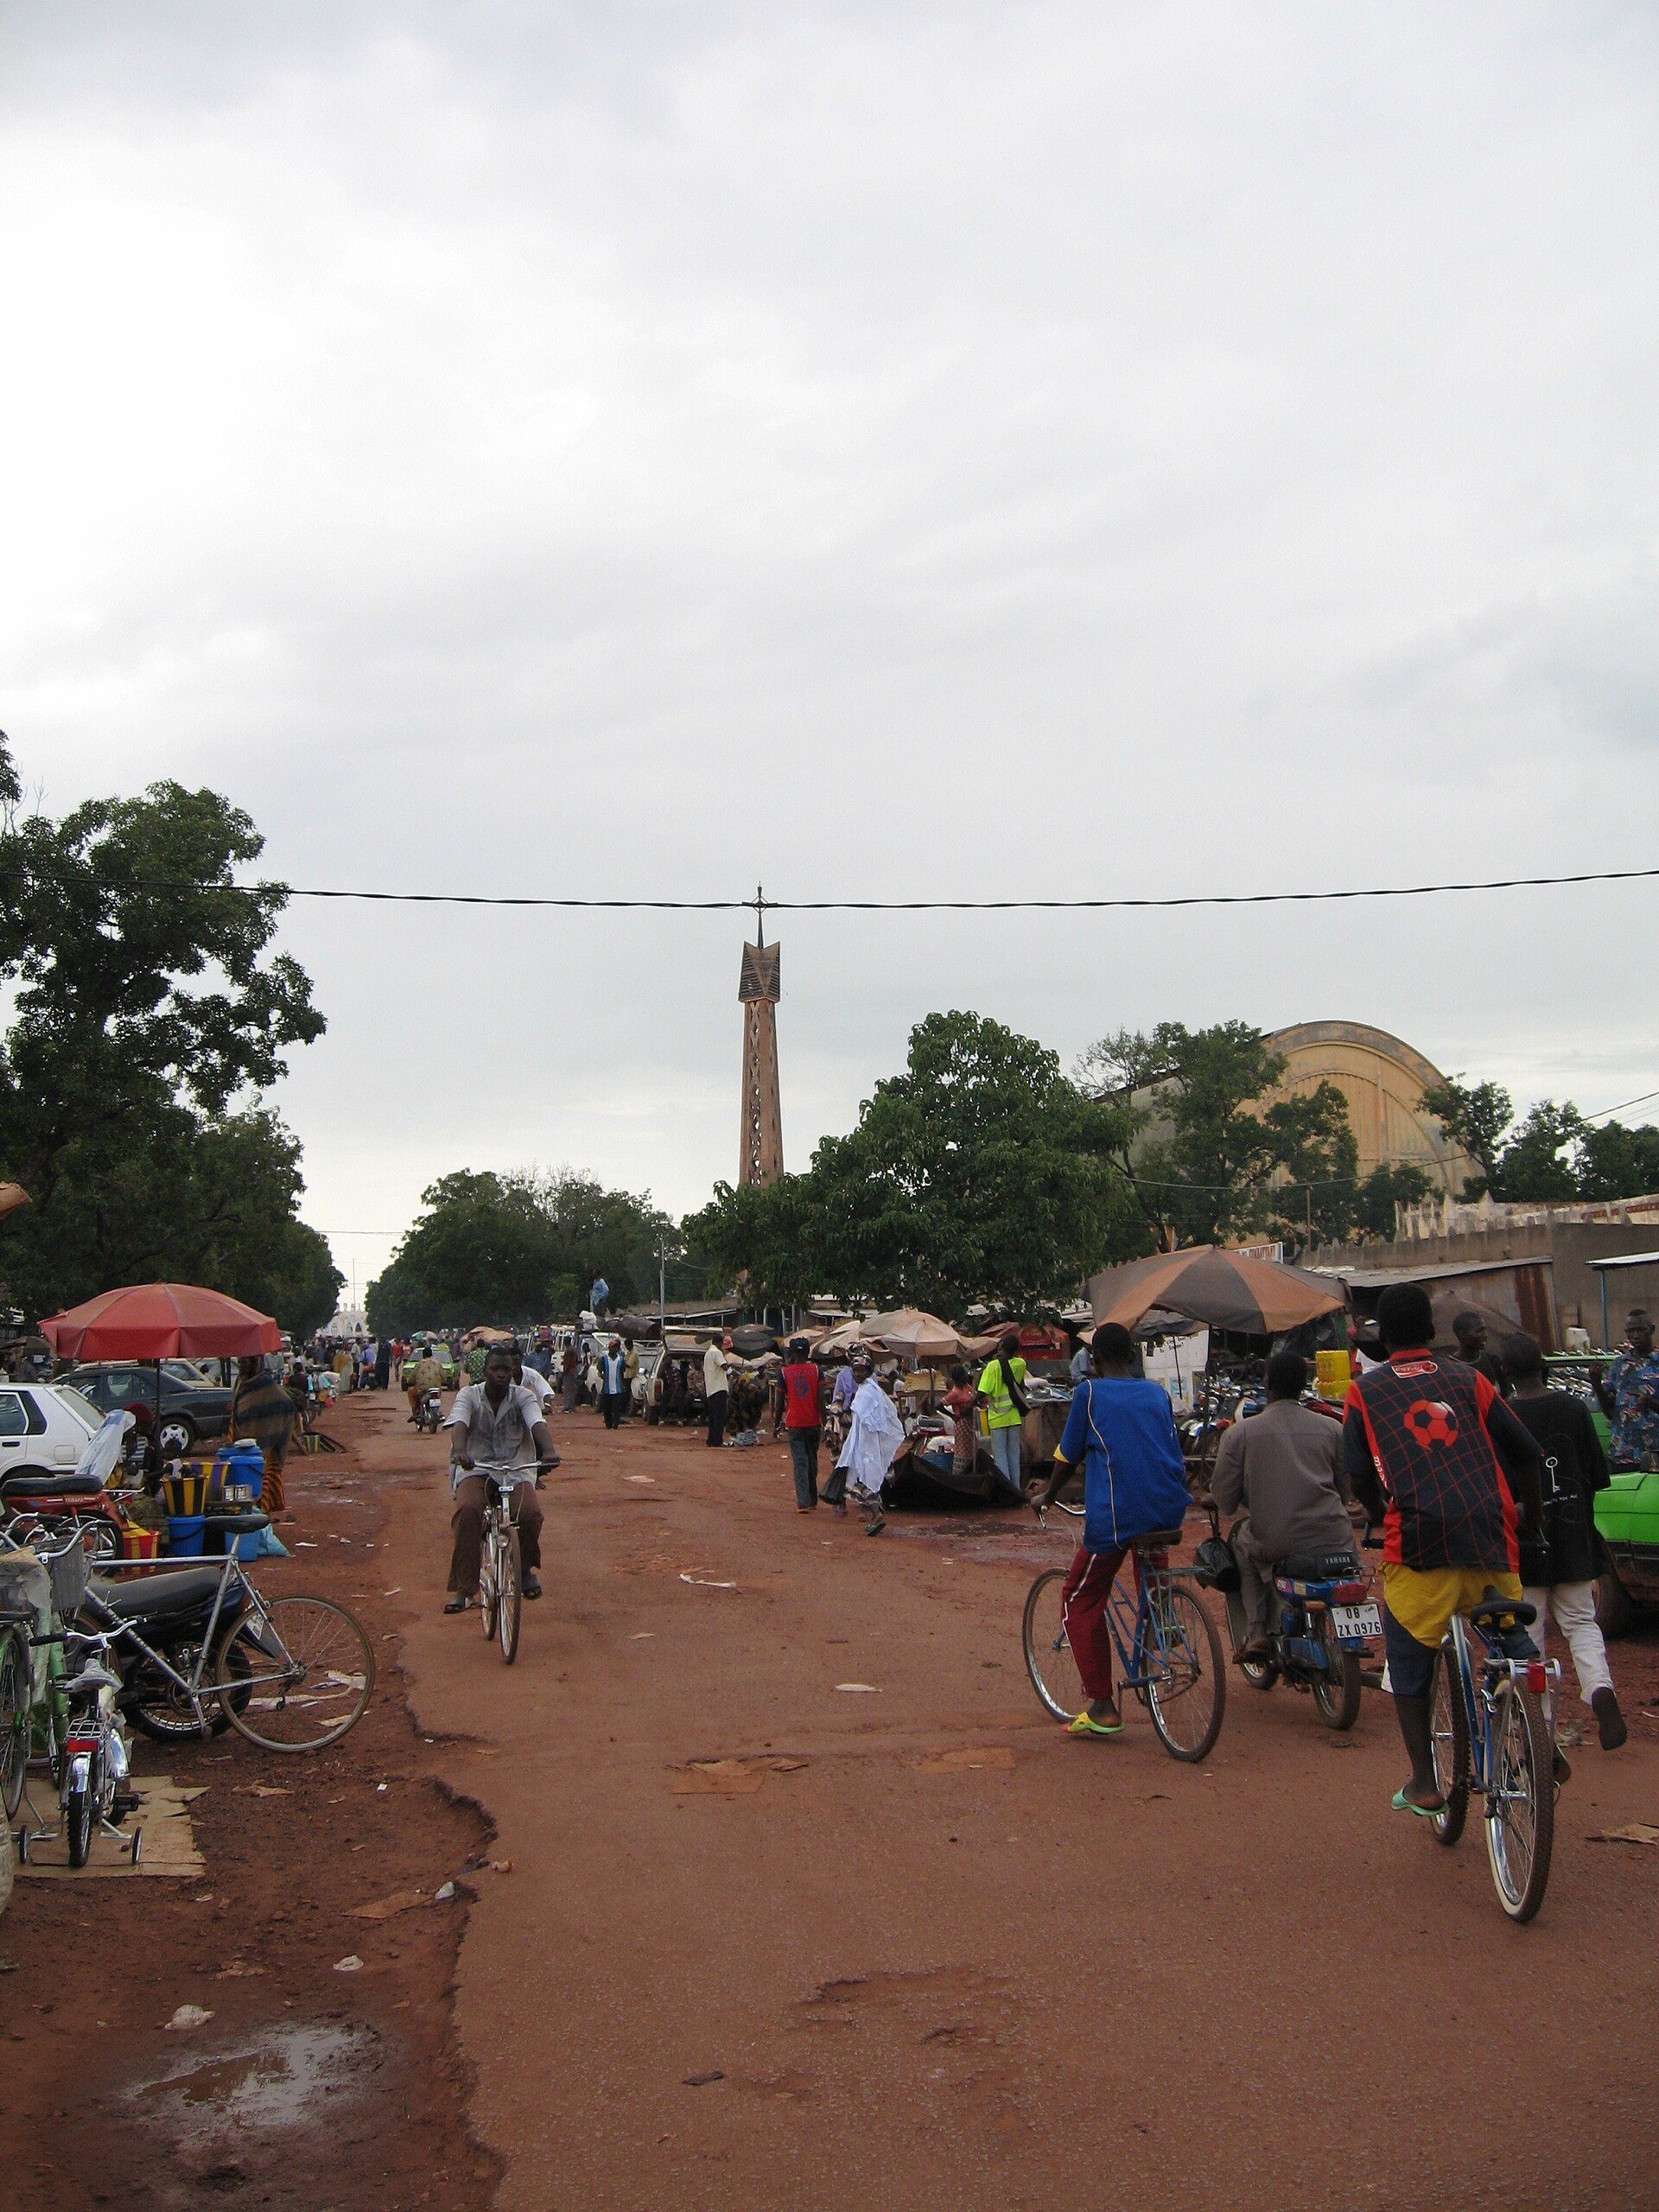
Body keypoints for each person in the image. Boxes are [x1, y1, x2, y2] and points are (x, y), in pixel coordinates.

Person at [1344, 1281, 1544, 1817]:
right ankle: (1540, 1744)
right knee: (1508, 1636)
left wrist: (1381, 1508)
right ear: (1433, 1331)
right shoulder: (1471, 1379)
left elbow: (1359, 1473)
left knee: (1409, 1658)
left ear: (1382, 1337)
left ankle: (1424, 1782)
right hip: (1488, 1534)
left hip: (1419, 1541)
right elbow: (1525, 1452)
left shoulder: (1365, 1391)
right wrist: (1531, 1518)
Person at [1032, 1324, 1192, 1738]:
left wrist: (1047, 1494)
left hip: (1117, 1519)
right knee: (1152, 1580)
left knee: (1079, 1598)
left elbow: (1068, 1456)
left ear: (1096, 1360)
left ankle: (1102, 1705)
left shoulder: (1090, 1394)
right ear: (1135, 1358)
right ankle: (1162, 1626)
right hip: (1166, 1511)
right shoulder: (1157, 1394)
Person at [1504, 1332, 1626, 1750]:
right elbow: (1597, 1475)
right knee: (1580, 1622)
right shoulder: (1574, 1409)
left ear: (1505, 1374)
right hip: (1574, 1537)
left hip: (1526, 1544)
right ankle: (1599, 1690)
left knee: (1529, 1631)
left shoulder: (1503, 1416)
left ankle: (1540, 1728)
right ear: (1544, 1366)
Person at [1211, 1351, 1357, 1662]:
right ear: (1304, 1385)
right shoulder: (1333, 1429)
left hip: (1279, 1543)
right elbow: (1345, 1494)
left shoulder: (1240, 1434)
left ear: (1268, 1384)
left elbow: (1224, 1501)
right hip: (1337, 1539)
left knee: (1240, 1541)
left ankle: (1257, 1630)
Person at [443, 1345, 554, 1612]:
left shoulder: (524, 1397)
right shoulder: (469, 1395)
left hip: (514, 1468)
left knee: (529, 1514)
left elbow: (537, 1423)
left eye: (507, 1369)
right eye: (496, 1369)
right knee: (469, 1511)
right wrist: (460, 1451)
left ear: (515, 1370)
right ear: (485, 1371)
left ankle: (524, 1569)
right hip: (476, 1467)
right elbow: (459, 1423)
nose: (502, 1374)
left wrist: (549, 1451)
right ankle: (464, 1587)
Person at [835, 1350, 904, 1534]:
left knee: (863, 1479)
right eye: (854, 1371)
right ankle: (876, 1513)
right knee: (866, 1478)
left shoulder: (867, 1391)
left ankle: (875, 1513)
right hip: (866, 1443)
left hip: (866, 1444)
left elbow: (866, 1421)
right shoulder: (872, 1389)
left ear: (868, 1372)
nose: (857, 1374)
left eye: (861, 1371)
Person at [229, 1355, 297, 1518]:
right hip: (242, 1440)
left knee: (263, 1481)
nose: (241, 1366)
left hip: (265, 1444)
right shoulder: (241, 1382)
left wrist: (271, 1427)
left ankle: (262, 1519)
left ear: (255, 1364)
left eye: (244, 1362)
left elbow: (285, 1403)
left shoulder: (265, 1384)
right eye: (239, 1362)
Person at [1590, 1308, 1659, 1471]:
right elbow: (1609, 1412)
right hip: (1622, 1454)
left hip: (1654, 1456)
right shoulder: (1619, 1365)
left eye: (1641, 1330)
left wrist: (1650, 1402)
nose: (1636, 1335)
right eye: (1631, 1331)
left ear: (1652, 1330)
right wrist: (1596, 1384)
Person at [976, 1327, 1029, 1498]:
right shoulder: (1021, 1364)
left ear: (1001, 1348)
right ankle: (1017, 1489)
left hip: (998, 1417)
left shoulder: (992, 1367)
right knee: (1014, 1456)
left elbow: (982, 1392)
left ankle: (1008, 1493)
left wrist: (970, 1404)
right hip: (1014, 1416)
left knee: (1000, 1458)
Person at [779, 1338, 824, 1511]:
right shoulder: (816, 1370)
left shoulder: (784, 1373)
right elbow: (820, 1399)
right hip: (813, 1423)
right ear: (808, 1353)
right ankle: (812, 1499)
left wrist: (777, 1424)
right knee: (812, 1461)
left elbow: (779, 1401)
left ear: (792, 1353)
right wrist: (825, 1421)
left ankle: (803, 1501)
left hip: (795, 1423)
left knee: (800, 1462)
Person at [1451, 1310, 1510, 1397]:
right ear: (1463, 1334)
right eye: (1479, 1331)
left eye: (1485, 1330)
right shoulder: (1451, 1369)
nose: (1486, 1335)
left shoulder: (1494, 1362)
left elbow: (1506, 1398)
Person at [943, 1363, 980, 1478]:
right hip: (962, 1425)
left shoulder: (967, 1386)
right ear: (959, 1378)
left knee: (972, 1453)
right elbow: (939, 1405)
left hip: (970, 1424)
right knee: (963, 1454)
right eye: (964, 1375)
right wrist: (953, 1416)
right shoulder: (955, 1393)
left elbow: (974, 1396)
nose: (966, 1377)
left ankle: (969, 1477)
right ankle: (960, 1478)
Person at [510, 1344, 555, 1418]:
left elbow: (545, 1390)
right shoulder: (504, 1377)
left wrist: (547, 1406)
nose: (514, 1367)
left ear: (521, 1360)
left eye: (516, 1363)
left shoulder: (532, 1375)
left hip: (533, 1410)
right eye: (511, 1363)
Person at [408, 1343, 446, 1421]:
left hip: (423, 1389)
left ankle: (415, 1413)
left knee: (410, 1391)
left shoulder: (419, 1364)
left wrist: (409, 1381)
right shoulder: (438, 1364)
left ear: (423, 1355)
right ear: (431, 1354)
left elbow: (412, 1377)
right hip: (436, 1389)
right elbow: (444, 1378)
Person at [703, 1336, 729, 1448]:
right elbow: (725, 1366)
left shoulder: (708, 1353)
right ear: (718, 1343)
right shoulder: (717, 1352)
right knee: (720, 1417)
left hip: (711, 1390)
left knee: (713, 1417)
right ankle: (718, 1440)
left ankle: (711, 1440)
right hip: (719, 1389)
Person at [598, 1338, 627, 1429]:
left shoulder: (621, 1360)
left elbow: (622, 1373)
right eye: (612, 1347)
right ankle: (608, 1424)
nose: (614, 1349)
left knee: (616, 1408)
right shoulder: (603, 1359)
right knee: (607, 1408)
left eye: (616, 1347)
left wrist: (623, 1386)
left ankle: (615, 1425)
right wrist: (603, 1376)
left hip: (618, 1388)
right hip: (607, 1388)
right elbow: (600, 1372)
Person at [620, 1336, 639, 1421]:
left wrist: (621, 1363)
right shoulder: (629, 1352)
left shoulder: (634, 1353)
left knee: (626, 1395)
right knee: (624, 1394)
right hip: (626, 1376)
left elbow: (628, 1364)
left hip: (631, 1376)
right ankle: (623, 1410)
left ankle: (624, 1410)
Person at [560, 1338, 580, 1415]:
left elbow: (568, 1361)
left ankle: (567, 1407)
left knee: (568, 1390)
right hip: (573, 1370)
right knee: (571, 1390)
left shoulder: (569, 1350)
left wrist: (564, 1371)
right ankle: (571, 1408)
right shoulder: (574, 1349)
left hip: (569, 1371)